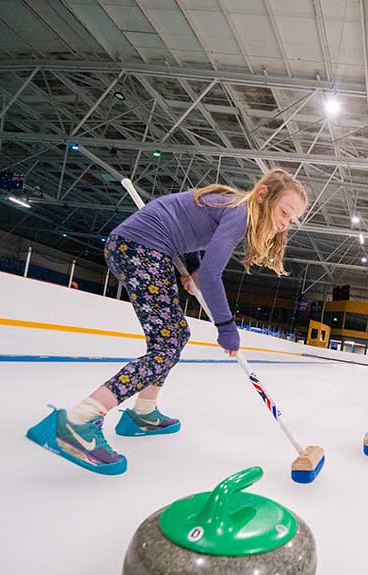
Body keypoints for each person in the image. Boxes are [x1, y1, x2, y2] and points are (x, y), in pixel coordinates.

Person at [26, 169, 308, 475]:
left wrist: (193, 267)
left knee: (175, 337)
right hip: (141, 249)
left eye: (292, 220)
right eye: (284, 212)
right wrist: (226, 327)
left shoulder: (232, 205)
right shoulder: (240, 213)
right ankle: (78, 421)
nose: (285, 223)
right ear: (264, 195)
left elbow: (188, 225)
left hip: (138, 247)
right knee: (166, 346)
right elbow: (213, 275)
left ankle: (142, 413)